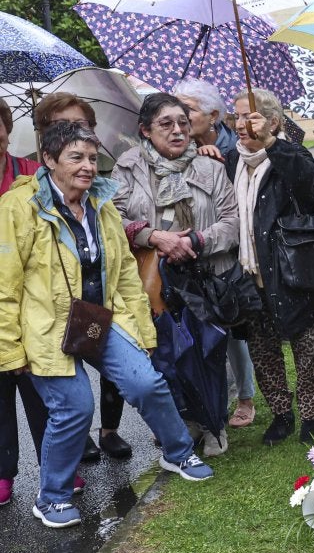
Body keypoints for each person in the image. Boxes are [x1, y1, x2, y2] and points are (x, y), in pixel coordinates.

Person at [0, 122, 214, 528]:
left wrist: (144, 332)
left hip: (99, 319)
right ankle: (53, 498)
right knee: (74, 407)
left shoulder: (102, 203)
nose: (87, 167)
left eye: (92, 158)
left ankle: (177, 451)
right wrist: (9, 348)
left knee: (147, 382)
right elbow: (4, 283)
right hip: (46, 326)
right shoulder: (17, 208)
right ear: (48, 160)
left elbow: (126, 276)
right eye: (75, 157)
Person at [113, 93, 240, 457]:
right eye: (165, 124)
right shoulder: (128, 167)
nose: (177, 130)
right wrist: (153, 236)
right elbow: (111, 217)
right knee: (165, 353)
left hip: (204, 273)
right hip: (153, 279)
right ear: (145, 130)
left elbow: (231, 222)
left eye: (183, 122)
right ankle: (185, 419)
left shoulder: (210, 166)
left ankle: (215, 425)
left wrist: (198, 240)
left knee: (208, 350)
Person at [228, 89, 314, 446]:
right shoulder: (232, 161)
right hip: (250, 273)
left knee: (308, 347)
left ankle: (312, 416)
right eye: (236, 116)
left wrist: (271, 141)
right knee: (263, 349)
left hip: (293, 270)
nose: (241, 124)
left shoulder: (293, 154)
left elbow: (306, 186)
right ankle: (282, 414)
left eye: (249, 117)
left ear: (272, 121)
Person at [35, 93, 131, 464]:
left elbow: (115, 215)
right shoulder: (37, 181)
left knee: (113, 362)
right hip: (57, 296)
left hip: (99, 288)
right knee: (68, 376)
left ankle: (109, 430)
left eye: (82, 125)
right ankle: (80, 436)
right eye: (64, 125)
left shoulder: (97, 169)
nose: (76, 132)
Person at [172, 78, 256, 427]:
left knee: (234, 324)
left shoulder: (233, 148)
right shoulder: (178, 147)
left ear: (214, 115)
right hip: (194, 252)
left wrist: (218, 161)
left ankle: (246, 398)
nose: (181, 117)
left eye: (188, 109)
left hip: (231, 248)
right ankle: (211, 400)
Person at [0, 100, 48, 507]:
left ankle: (57, 465)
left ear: (7, 128)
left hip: (30, 296)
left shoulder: (32, 174)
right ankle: (2, 472)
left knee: (40, 386)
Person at [172, 78, 240, 161]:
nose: (180, 115)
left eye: (188, 109)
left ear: (213, 116)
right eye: (178, 108)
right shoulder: (173, 142)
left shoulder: (237, 148)